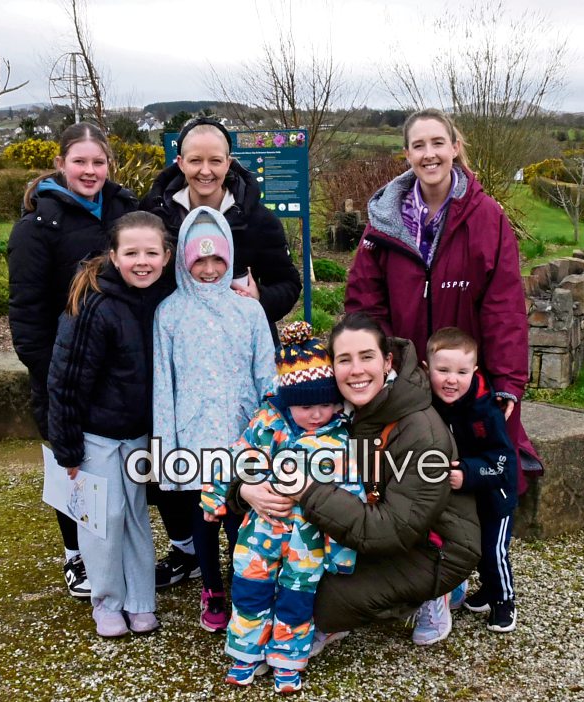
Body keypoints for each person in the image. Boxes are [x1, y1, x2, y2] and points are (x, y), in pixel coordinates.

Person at [227, 312, 481, 652]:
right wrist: (244, 489)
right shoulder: (326, 402)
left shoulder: (422, 432)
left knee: (319, 601)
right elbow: (260, 445)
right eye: (345, 360)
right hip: (362, 518)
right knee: (266, 574)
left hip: (433, 545)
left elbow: (393, 530)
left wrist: (306, 490)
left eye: (367, 357)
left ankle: (437, 592)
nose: (356, 370)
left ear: (387, 361)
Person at [344, 107, 541, 516]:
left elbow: (504, 305)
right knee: (408, 475)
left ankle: (477, 547)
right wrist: (386, 366)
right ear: (407, 154)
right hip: (407, 378)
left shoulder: (486, 216)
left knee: (471, 475)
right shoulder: (384, 221)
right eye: (418, 146)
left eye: (438, 143)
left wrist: (507, 381)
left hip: (463, 377)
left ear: (454, 147)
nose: (429, 154)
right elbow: (365, 302)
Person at [8, 122, 141, 600]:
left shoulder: (126, 211)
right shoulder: (36, 227)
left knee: (121, 473)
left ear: (110, 165)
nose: (90, 170)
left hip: (120, 369)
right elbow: (27, 314)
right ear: (60, 163)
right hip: (64, 369)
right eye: (80, 161)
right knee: (72, 466)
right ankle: (75, 556)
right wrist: (56, 378)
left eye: (98, 162)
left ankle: (119, 553)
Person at [201, 321, 363, 695]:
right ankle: (246, 654)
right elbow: (236, 457)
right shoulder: (268, 424)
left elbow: (350, 495)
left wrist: (342, 552)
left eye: (326, 404)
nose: (317, 414)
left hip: (309, 539)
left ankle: (288, 660)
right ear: (289, 401)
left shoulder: (339, 439)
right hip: (261, 531)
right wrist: (214, 495)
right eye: (307, 406)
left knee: (297, 599)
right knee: (250, 592)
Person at [46, 211, 174, 637]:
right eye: (131, 253)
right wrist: (67, 446)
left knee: (135, 516)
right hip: (96, 435)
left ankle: (140, 601)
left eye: (151, 253)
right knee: (102, 518)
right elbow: (66, 379)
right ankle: (107, 601)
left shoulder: (164, 298)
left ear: (166, 255)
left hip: (138, 433)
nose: (142, 262)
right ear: (114, 256)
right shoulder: (94, 304)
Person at [152, 206, 277, 634]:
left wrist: (271, 433)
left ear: (230, 259)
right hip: (193, 436)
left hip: (243, 432)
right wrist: (166, 447)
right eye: (199, 260)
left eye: (217, 260)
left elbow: (266, 374)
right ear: (185, 261)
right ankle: (212, 589)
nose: (209, 270)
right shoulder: (169, 313)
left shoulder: (249, 311)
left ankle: (246, 586)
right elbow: (163, 383)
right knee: (203, 516)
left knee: (240, 514)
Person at [140, 116, 301, 344]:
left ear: (228, 163)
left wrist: (260, 298)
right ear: (181, 162)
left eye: (215, 161)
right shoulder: (153, 215)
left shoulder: (259, 219)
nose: (205, 171)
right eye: (195, 160)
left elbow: (288, 284)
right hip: (174, 343)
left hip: (242, 345)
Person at [418, 327, 519, 635]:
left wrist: (469, 472)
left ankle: (504, 600)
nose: (452, 380)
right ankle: (488, 590)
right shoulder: (430, 403)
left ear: (474, 371)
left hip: (497, 494)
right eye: (443, 371)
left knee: (494, 550)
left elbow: (503, 461)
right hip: (468, 496)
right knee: (475, 547)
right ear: (427, 368)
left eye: (461, 372)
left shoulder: (485, 410)